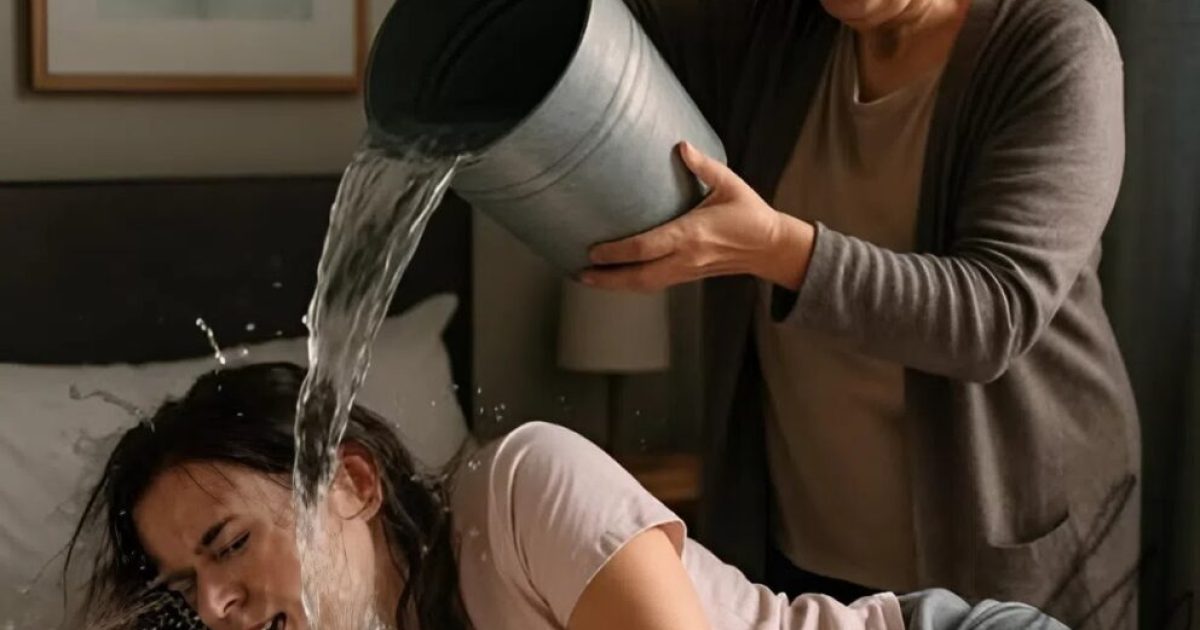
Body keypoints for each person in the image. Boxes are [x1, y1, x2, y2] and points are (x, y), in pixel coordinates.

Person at [579, 0, 1140, 627]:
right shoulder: (779, 28)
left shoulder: (1056, 44)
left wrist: (776, 248)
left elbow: (991, 317)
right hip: (796, 547)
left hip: (997, 550)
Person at [65, 363, 1064, 630]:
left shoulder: (519, 489)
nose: (214, 605)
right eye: (186, 582)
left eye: (228, 544)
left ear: (353, 483)